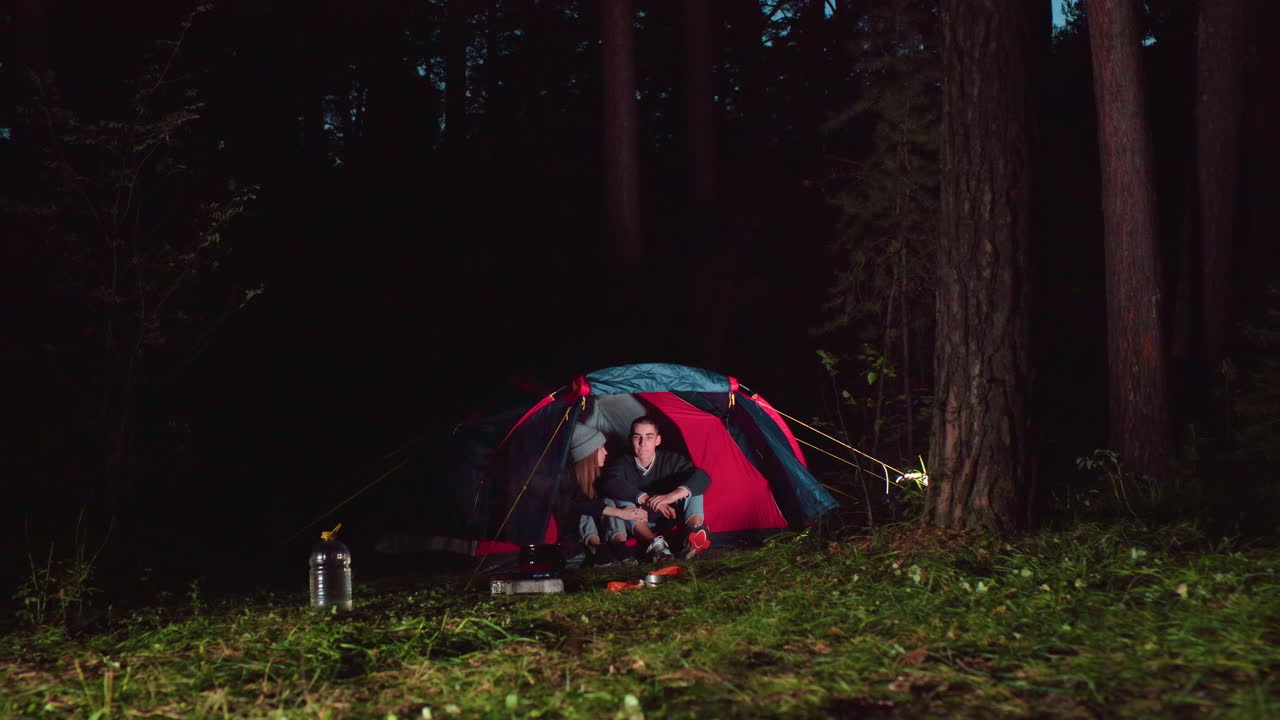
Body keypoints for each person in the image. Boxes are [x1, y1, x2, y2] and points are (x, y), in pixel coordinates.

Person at [600, 415, 713, 562]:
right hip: (640, 522)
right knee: (620, 496)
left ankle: (696, 533)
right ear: (631, 440)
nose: (643, 443)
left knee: (693, 489)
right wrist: (648, 499)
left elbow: (702, 477)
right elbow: (609, 483)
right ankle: (655, 546)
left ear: (657, 440)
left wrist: (670, 497)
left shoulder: (671, 459)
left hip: (670, 517)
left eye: (649, 437)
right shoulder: (621, 463)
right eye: (637, 437)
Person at [560, 423, 647, 566]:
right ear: (588, 453)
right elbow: (579, 504)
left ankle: (619, 542)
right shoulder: (566, 479)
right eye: (601, 448)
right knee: (583, 510)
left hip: (601, 524)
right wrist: (620, 513)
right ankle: (596, 547)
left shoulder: (597, 475)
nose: (606, 452)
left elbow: (609, 494)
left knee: (609, 501)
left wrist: (632, 510)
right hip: (574, 529)